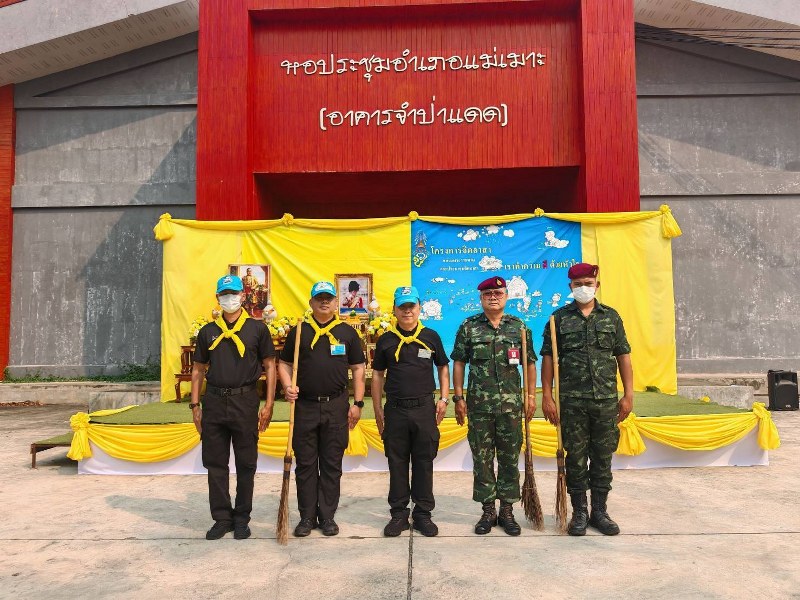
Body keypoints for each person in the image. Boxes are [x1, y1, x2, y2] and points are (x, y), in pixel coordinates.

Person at [539, 262, 633, 536]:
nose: (583, 288)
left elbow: (623, 356)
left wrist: (628, 394)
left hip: (605, 400)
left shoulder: (611, 317)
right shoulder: (558, 319)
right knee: (576, 458)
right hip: (572, 402)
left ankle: (599, 512)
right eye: (578, 284)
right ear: (570, 287)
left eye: (588, 284)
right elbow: (548, 358)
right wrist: (547, 396)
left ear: (597, 285)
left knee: (602, 457)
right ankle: (579, 512)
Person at [190, 274, 276, 540]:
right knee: (215, 462)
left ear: (243, 296)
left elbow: (270, 365)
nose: (229, 298)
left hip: (245, 400)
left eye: (234, 293)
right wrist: (195, 404)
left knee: (246, 463)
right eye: (224, 294)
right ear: (218, 297)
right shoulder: (208, 332)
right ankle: (222, 518)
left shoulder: (257, 329)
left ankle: (241, 518)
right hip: (214, 401)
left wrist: (269, 403)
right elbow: (198, 369)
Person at [278, 281, 366, 537]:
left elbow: (358, 368)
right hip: (305, 406)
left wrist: (358, 403)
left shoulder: (347, 333)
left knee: (331, 464)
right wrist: (287, 386)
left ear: (336, 302)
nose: (324, 302)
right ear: (311, 303)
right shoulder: (299, 332)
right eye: (320, 298)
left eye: (329, 298)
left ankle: (327, 516)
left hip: (336, 406)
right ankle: (306, 517)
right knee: (306, 464)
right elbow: (284, 364)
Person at [451, 276, 537, 536]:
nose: (493, 297)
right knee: (483, 459)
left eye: (498, 293)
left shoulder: (518, 327)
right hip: (480, 408)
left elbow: (529, 363)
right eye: (487, 294)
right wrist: (458, 397)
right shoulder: (469, 326)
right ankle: (488, 511)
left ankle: (507, 511)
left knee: (509, 459)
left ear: (506, 296)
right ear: (481, 298)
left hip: (511, 407)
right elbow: (459, 363)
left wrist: (531, 397)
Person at [372, 286, 450, 537]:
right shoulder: (386, 339)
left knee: (424, 462)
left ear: (419, 308)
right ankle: (399, 515)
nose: (407, 311)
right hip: (395, 410)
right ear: (394, 309)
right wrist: (377, 408)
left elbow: (443, 367)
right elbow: (377, 375)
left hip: (424, 409)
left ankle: (423, 514)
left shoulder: (430, 336)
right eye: (402, 306)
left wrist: (444, 398)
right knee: (396, 462)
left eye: (411, 306)